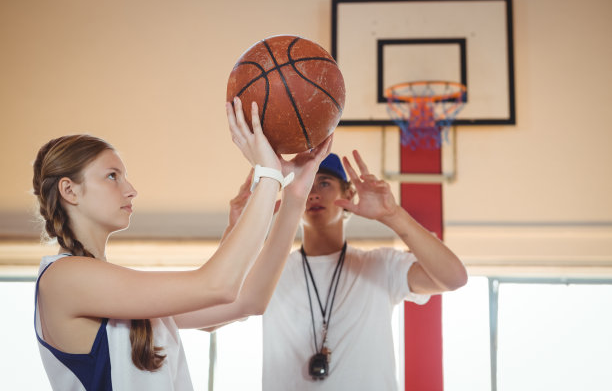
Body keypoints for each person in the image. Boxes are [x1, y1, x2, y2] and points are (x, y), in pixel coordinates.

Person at [31, 97, 332, 390]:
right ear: (69, 190)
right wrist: (268, 175)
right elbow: (218, 286)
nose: (131, 190)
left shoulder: (114, 291)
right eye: (112, 176)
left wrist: (294, 198)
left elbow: (247, 301)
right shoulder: (63, 279)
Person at [221, 150, 468, 390]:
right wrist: (236, 230)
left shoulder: (381, 265)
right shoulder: (269, 271)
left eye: (324, 183)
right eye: (307, 185)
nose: (314, 194)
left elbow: (454, 278)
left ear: (348, 193)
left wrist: (394, 215)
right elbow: (214, 306)